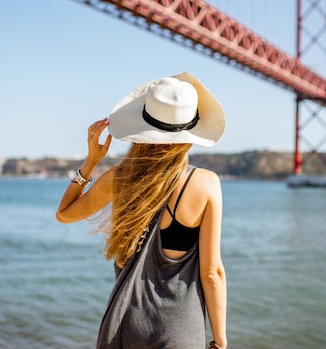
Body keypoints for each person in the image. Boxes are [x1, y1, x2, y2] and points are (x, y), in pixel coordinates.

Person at [56, 72, 228, 349]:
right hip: (178, 332)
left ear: (142, 129)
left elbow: (64, 214)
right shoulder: (205, 183)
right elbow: (212, 273)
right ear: (190, 133)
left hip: (122, 328)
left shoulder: (118, 178)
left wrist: (90, 163)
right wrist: (220, 341)